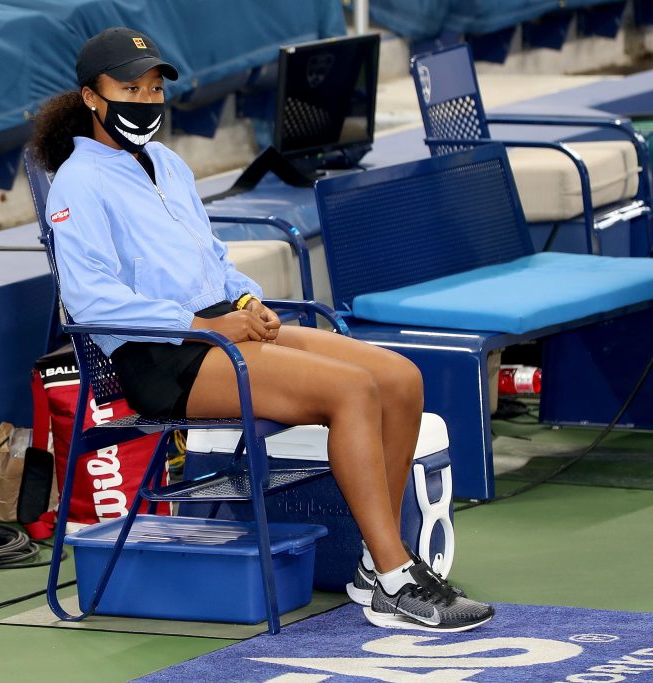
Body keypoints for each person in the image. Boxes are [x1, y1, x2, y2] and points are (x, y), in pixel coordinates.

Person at [30, 26, 494, 633]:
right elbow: (88, 300)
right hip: (163, 357)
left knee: (399, 378)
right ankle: (394, 578)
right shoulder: (78, 182)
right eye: (128, 88)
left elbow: (210, 255)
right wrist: (200, 322)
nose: (144, 101)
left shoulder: (166, 164)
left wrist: (246, 299)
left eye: (152, 89)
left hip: (217, 327)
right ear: (92, 97)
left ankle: (378, 563)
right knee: (351, 391)